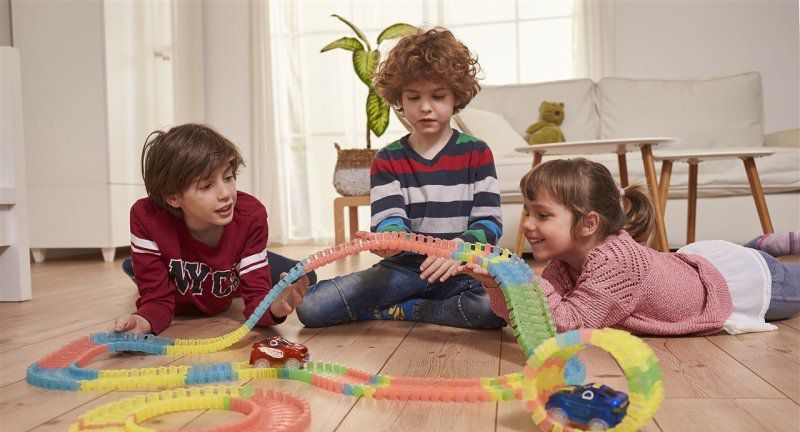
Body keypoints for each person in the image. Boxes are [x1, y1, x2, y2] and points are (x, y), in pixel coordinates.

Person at [297, 27, 505, 329]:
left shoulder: (477, 152)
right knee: (310, 308)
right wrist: (390, 240)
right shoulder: (388, 158)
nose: (425, 107)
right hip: (404, 269)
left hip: (462, 270)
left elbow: (489, 224)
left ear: (456, 96)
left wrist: (458, 250)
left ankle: (406, 310)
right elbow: (389, 219)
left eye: (437, 96)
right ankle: (419, 306)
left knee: (494, 310)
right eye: (413, 97)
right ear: (400, 99)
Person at [457, 158, 799, 335]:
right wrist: (497, 283)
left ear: (589, 223)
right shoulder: (563, 263)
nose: (528, 225)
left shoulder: (616, 265)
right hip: (696, 266)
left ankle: (762, 252)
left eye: (542, 215)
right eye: (527, 212)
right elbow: (533, 320)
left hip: (739, 285)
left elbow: (570, 323)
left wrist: (523, 276)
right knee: (749, 256)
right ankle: (762, 245)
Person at [111, 123, 313, 335]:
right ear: (173, 197)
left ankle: (242, 264)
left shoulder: (250, 216)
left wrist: (275, 306)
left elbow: (257, 300)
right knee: (152, 274)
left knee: (304, 277)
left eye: (228, 177)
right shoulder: (147, 217)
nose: (226, 194)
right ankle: (139, 264)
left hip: (230, 265)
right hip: (194, 270)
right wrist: (141, 321)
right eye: (207, 186)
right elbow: (157, 301)